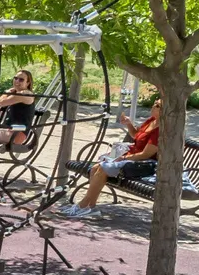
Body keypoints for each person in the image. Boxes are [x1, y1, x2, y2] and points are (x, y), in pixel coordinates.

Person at [59, 88, 160, 216]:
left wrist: (123, 159)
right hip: (130, 159)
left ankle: (83, 205)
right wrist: (129, 124)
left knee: (102, 168)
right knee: (96, 167)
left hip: (142, 164)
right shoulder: (151, 121)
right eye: (154, 103)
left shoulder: (160, 130)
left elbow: (145, 154)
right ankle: (91, 207)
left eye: (157, 105)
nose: (153, 106)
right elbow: (136, 136)